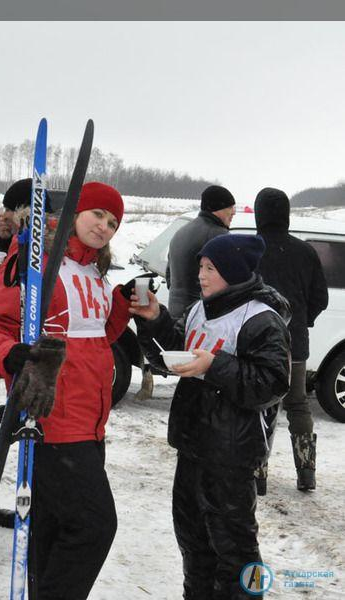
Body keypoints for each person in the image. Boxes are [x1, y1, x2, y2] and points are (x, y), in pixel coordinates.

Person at [0, 182, 131, 600]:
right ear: (76, 212)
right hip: (52, 419)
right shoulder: (36, 263)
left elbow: (95, 337)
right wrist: (13, 356)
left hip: (91, 421)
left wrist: (125, 306)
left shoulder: (94, 271)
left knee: (54, 528)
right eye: (97, 215)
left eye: (113, 222)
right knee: (94, 526)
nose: (104, 227)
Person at [132, 233, 291, 600]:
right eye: (201, 267)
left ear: (234, 271)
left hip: (231, 455)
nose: (201, 275)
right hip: (192, 446)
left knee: (236, 549)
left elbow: (271, 383)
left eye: (210, 269)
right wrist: (155, 320)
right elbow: (171, 353)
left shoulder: (261, 319)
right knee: (193, 542)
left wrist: (215, 365)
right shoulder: (200, 308)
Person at [254, 187, 328, 493]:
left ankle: (257, 474)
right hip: (295, 344)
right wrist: (302, 320)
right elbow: (320, 298)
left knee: (259, 404)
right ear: (286, 214)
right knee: (298, 404)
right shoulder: (305, 251)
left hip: (257, 343)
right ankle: (306, 472)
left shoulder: (251, 249)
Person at [166, 185, 236, 318]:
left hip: (175, 315)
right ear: (217, 208)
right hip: (201, 317)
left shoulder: (180, 232)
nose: (234, 212)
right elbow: (233, 281)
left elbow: (169, 276)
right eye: (230, 207)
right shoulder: (218, 235)